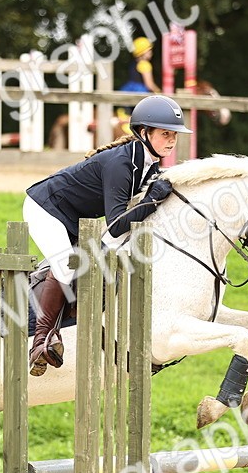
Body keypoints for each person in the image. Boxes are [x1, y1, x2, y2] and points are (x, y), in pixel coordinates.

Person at [22, 95, 191, 375]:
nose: (171, 140)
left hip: (74, 219)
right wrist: (151, 200)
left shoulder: (149, 164)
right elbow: (115, 225)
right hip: (45, 207)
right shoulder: (122, 164)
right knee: (65, 267)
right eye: (165, 134)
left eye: (173, 134)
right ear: (144, 132)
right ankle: (41, 341)